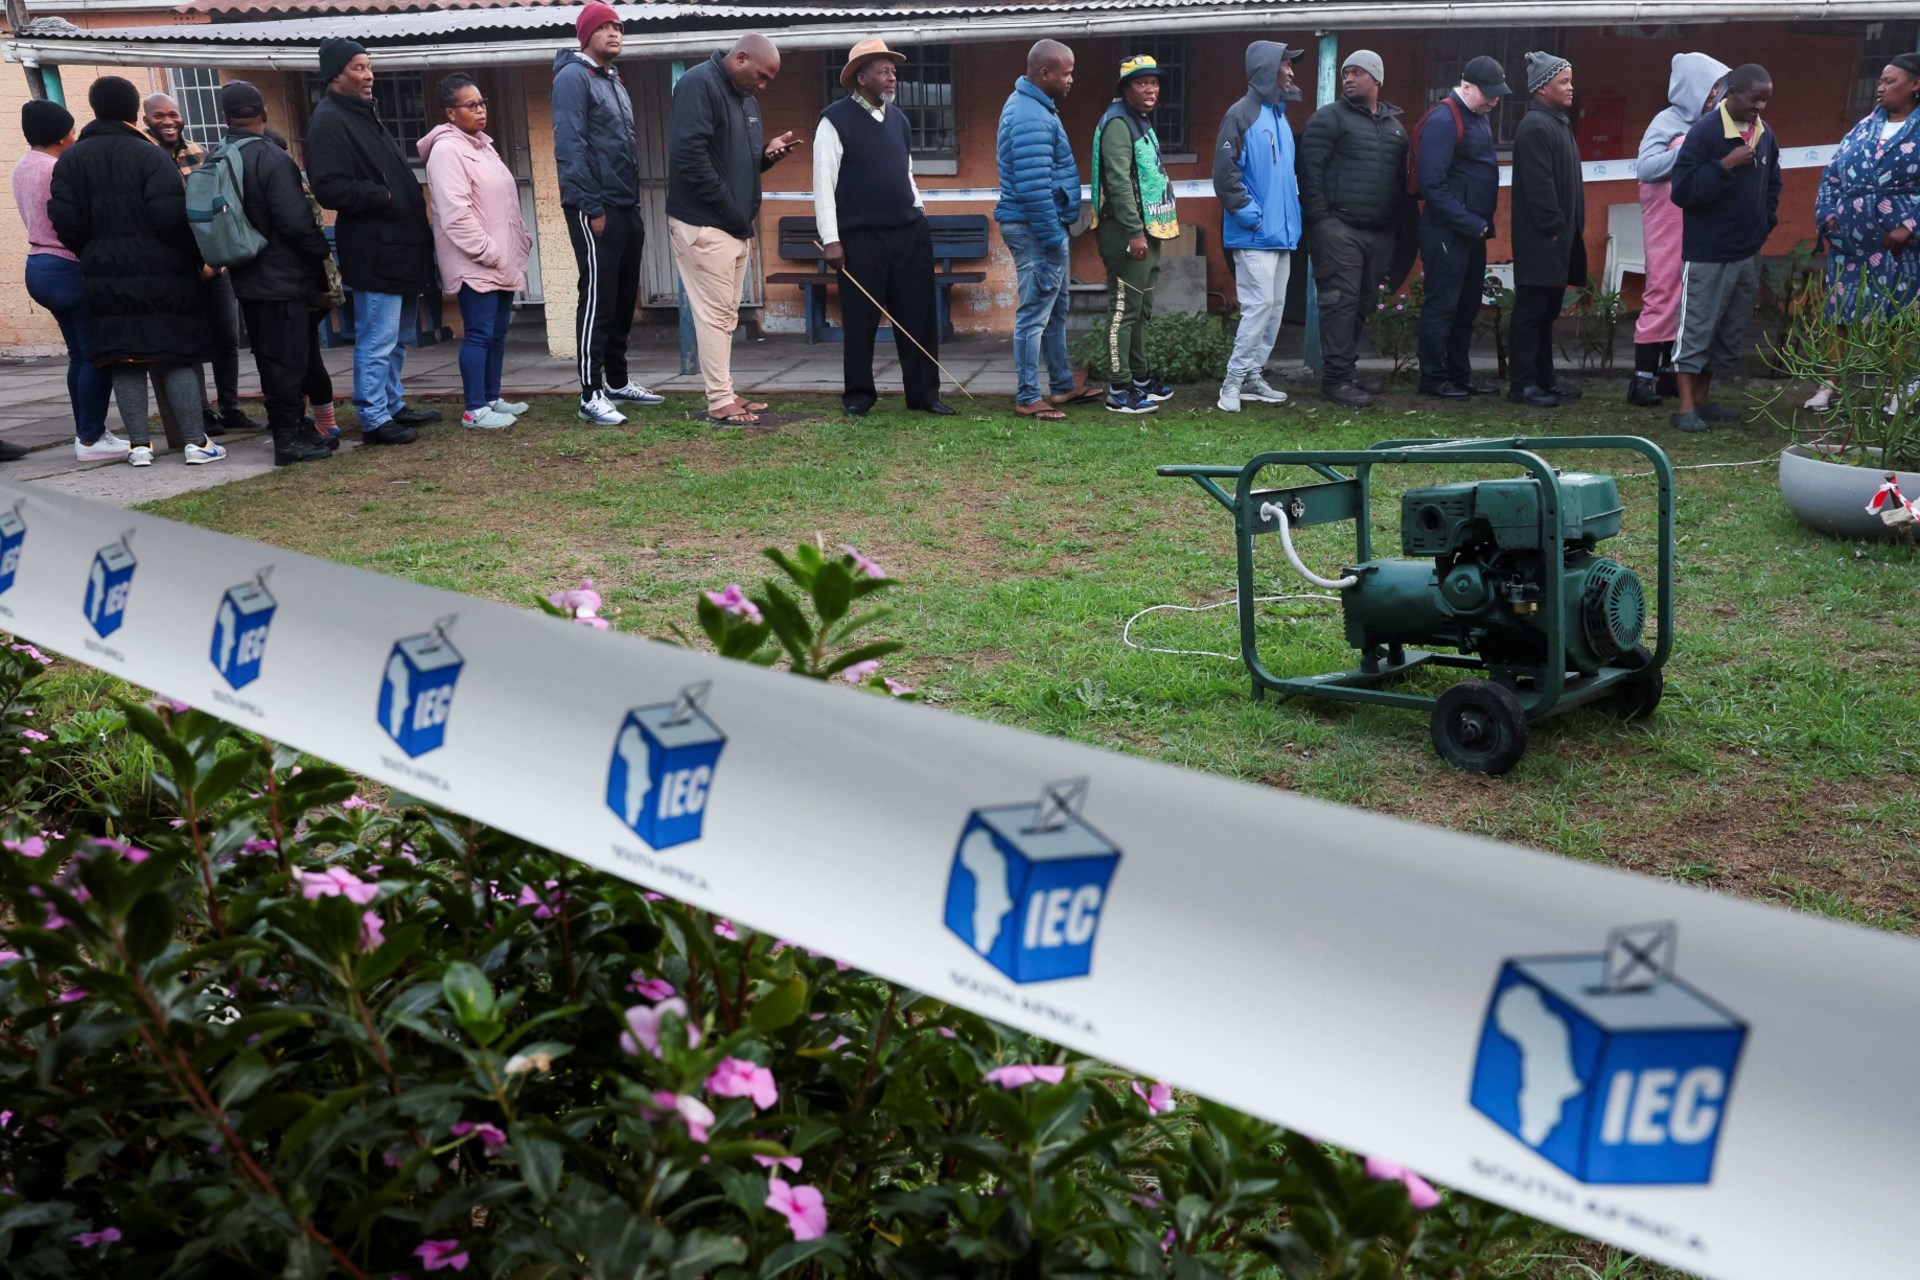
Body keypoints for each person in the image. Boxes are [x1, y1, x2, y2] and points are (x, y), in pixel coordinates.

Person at [48, 75, 225, 468]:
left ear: (93, 109)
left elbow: (64, 219)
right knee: (175, 353)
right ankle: (196, 442)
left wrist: (94, 250)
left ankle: (139, 447)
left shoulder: (72, 159)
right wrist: (196, 260)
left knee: (123, 356)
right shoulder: (151, 155)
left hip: (103, 271)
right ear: (134, 112)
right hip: (163, 269)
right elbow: (169, 216)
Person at [307, 37, 439, 446]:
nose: (369, 76)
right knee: (377, 337)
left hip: (401, 247)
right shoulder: (329, 119)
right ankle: (373, 416)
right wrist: (382, 197)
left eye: (369, 67)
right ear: (336, 75)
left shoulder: (364, 114)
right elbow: (328, 187)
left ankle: (392, 404)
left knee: (398, 336)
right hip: (375, 248)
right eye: (359, 68)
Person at [814, 37, 953, 418]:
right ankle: (859, 396)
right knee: (860, 320)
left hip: (909, 234)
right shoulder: (834, 120)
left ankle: (924, 394)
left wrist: (919, 209)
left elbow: (906, 174)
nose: (892, 78)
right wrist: (831, 239)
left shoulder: (900, 120)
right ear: (861, 78)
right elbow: (823, 182)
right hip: (860, 239)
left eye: (893, 71)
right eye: (883, 71)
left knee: (919, 316)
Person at [667, 35, 797, 426]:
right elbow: (689, 155)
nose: (763, 85)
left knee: (726, 315)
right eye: (761, 75)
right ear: (740, 57)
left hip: (733, 223)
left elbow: (737, 160)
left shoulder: (745, 99)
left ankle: (725, 390)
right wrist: (727, 205)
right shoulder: (697, 84)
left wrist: (766, 156)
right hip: (705, 222)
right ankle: (719, 399)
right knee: (713, 314)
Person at [215, 81, 335, 468]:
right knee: (288, 361)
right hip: (283, 276)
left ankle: (295, 429)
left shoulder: (222, 157)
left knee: (272, 359)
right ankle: (288, 438)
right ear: (263, 112)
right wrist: (322, 253)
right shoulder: (270, 157)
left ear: (225, 116)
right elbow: (295, 221)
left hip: (247, 274)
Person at [554, 3, 664, 426]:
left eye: (618, 27)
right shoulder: (573, 78)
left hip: (624, 204)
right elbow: (571, 146)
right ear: (586, 35)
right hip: (595, 206)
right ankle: (589, 391)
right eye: (604, 27)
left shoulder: (614, 81)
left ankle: (617, 380)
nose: (615, 33)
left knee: (621, 295)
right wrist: (591, 205)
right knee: (598, 296)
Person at [1669, 63, 1780, 433]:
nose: (1760, 105)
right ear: (1733, 93)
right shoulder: (1704, 134)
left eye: (1765, 99)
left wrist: (1764, 224)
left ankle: (1703, 400)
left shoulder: (1765, 135)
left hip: (1747, 252)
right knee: (1697, 328)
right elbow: (1682, 191)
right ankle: (1685, 408)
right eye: (1754, 97)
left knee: (1727, 332)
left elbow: (1773, 185)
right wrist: (1725, 165)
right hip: (1707, 252)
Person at [421, 73, 534, 431]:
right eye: (471, 105)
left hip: (500, 256)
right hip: (477, 260)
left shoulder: (482, 145)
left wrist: (521, 239)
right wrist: (487, 251)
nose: (481, 110)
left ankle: (490, 396)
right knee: (479, 333)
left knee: (498, 332)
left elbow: (501, 201)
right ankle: (473, 408)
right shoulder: (447, 151)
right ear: (451, 113)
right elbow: (455, 214)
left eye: (482, 103)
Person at [1298, 48, 1407, 407]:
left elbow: (1398, 180)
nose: (1348, 79)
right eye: (1345, 73)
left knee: (1360, 303)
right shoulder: (1328, 119)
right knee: (1338, 304)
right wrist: (1321, 221)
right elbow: (1309, 171)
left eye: (1357, 72)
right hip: (1337, 230)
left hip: (1378, 233)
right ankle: (1335, 380)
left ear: (1376, 78)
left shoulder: (1395, 128)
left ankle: (1348, 373)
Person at [145, 92, 258, 437]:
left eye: (174, 114)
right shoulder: (146, 157)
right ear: (146, 119)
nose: (169, 121)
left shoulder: (198, 152)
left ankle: (230, 406)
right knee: (191, 342)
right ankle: (201, 411)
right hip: (177, 269)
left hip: (213, 262)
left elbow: (217, 204)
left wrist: (217, 257)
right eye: (160, 116)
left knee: (227, 337)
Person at [1812, 51, 1920, 407]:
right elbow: (1832, 174)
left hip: (1899, 245)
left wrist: (1910, 225)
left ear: (1915, 85)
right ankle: (1831, 384)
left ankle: (1898, 389)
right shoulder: (1862, 128)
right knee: (1841, 311)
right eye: (1880, 81)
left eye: (1890, 81)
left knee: (1898, 315)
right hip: (1852, 241)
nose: (1881, 88)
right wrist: (1828, 215)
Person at [1629, 53, 1730, 408]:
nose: (1716, 93)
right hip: (1666, 221)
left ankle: (1672, 376)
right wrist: (1689, 148)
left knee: (1688, 297)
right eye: (1711, 85)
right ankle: (1641, 379)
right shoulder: (1665, 122)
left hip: (1695, 220)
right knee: (1663, 292)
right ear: (1692, 87)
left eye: (1720, 87)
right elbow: (1646, 168)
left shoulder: (1714, 121)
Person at [995, 38, 1087, 422]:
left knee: (1055, 309)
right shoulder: (1030, 114)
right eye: (1066, 73)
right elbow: (1034, 188)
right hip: (1037, 229)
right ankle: (1028, 395)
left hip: (1043, 225)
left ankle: (1063, 384)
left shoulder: (1037, 106)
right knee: (1035, 313)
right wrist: (1053, 239)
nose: (1070, 81)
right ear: (1044, 73)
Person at [11, 99, 103, 462]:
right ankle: (92, 438)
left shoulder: (21, 166)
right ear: (64, 135)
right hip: (67, 265)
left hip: (38, 264)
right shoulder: (58, 168)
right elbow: (75, 220)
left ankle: (86, 433)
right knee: (95, 355)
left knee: (78, 356)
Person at [1213, 41, 1303, 413]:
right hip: (1253, 233)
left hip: (1280, 235)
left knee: (1275, 307)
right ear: (1268, 68)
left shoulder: (1279, 116)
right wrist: (1252, 216)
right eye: (1286, 64)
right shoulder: (1241, 114)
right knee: (1258, 305)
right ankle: (1231, 383)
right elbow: (1224, 174)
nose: (1291, 72)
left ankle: (1252, 377)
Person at [1415, 56, 1508, 400]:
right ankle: (1433, 377)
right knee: (1442, 306)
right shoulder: (1444, 118)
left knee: (1466, 307)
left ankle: (1459, 374)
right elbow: (1432, 185)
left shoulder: (1478, 116)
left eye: (1499, 94)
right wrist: (1470, 221)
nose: (1495, 100)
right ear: (1466, 86)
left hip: (1471, 232)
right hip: (1447, 232)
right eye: (1489, 94)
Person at [1092, 55, 1181, 414]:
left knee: (1141, 308)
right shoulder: (1117, 123)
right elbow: (1116, 181)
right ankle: (1118, 388)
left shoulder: (1137, 120)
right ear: (1125, 88)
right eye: (1141, 82)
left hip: (1147, 229)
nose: (1151, 89)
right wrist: (1133, 232)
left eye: (1155, 82)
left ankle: (1140, 379)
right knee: (1123, 310)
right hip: (1125, 231)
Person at [1506, 51, 1584, 409]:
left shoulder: (1558, 123)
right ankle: (1523, 385)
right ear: (1542, 88)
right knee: (1531, 314)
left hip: (1559, 239)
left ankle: (1544, 378)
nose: (1571, 88)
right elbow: (1540, 188)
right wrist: (1555, 227)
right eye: (1563, 81)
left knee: (1547, 314)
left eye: (1570, 80)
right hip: (1543, 239)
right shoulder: (1535, 126)